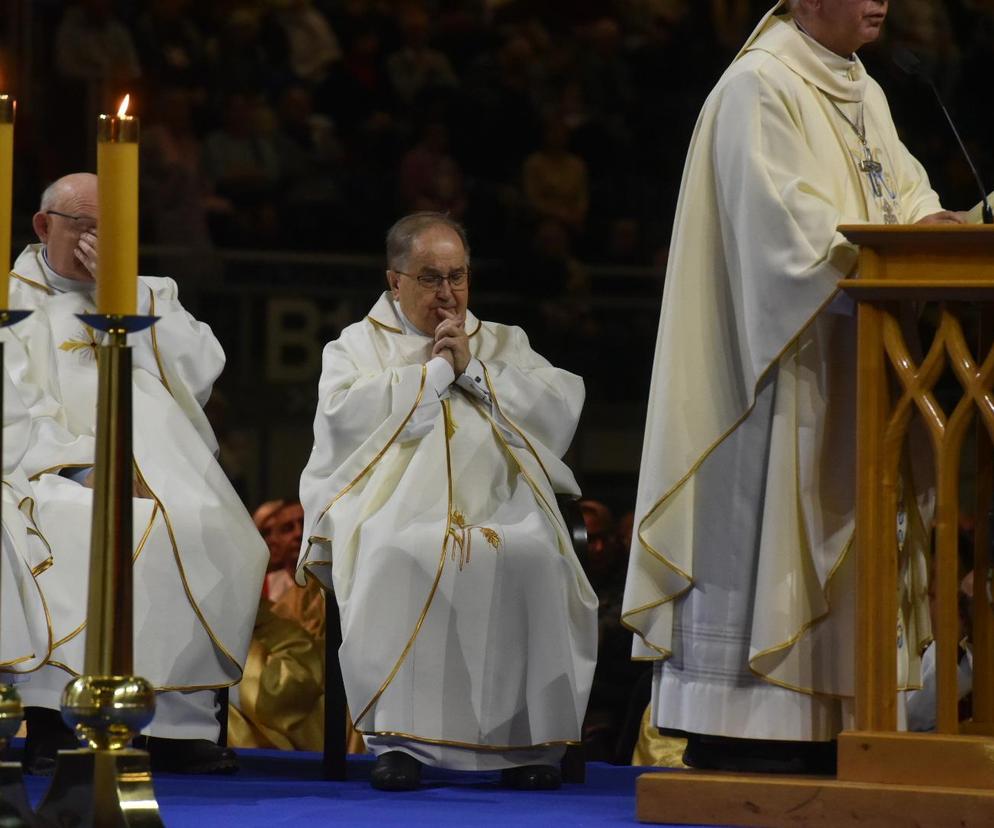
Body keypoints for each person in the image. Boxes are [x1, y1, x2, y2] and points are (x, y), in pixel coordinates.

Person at [622, 0, 966, 773]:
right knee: (773, 531)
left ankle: (834, 722)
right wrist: (898, 248)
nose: (880, 1)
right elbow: (785, 240)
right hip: (776, 375)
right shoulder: (758, 87)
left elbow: (900, 198)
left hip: (856, 366)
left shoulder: (863, 89)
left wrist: (944, 223)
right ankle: (744, 726)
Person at [298, 212, 597, 791]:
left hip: (501, 504)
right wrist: (433, 375)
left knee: (534, 556)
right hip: (391, 508)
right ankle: (401, 746)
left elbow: (560, 403)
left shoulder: (504, 340)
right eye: (431, 277)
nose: (448, 294)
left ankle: (529, 744)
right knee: (398, 553)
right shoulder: (356, 346)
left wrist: (476, 371)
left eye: (458, 277)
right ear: (395, 280)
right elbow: (339, 421)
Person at [4, 173, 269, 774]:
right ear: (45, 227)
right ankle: (57, 720)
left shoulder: (152, 291)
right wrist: (79, 468)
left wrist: (123, 294)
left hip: (163, 465)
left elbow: (203, 369)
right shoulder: (13, 300)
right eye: (88, 227)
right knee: (82, 528)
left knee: (207, 527)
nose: (103, 240)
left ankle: (179, 725)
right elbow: (14, 404)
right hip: (53, 471)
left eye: (115, 228)